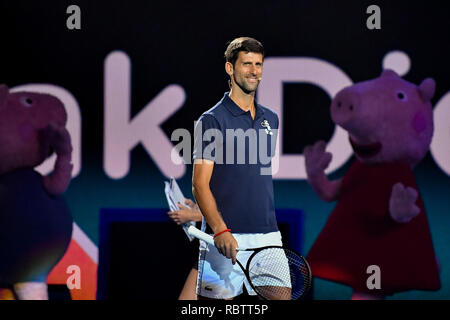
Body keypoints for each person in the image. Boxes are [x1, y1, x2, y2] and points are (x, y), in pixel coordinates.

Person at [191, 37, 289, 300]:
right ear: (230, 69)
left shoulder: (271, 119)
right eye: (246, 64)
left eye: (258, 64)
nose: (254, 70)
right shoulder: (211, 120)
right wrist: (220, 230)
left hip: (268, 237)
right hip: (223, 238)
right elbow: (200, 184)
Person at [167, 198, 202, 300]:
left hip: (227, 253)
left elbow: (231, 212)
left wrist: (192, 215)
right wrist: (196, 209)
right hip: (211, 251)